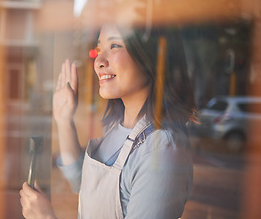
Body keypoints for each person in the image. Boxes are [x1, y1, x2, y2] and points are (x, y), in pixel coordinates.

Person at [19, 23, 197, 219]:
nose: (99, 62)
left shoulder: (162, 150)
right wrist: (63, 120)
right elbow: (84, 183)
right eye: (99, 49)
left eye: (115, 46)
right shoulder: (119, 127)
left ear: (151, 57)